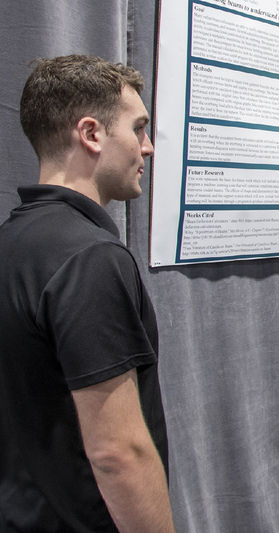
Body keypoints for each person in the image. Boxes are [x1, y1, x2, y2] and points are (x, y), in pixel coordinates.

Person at [0, 55, 175, 532]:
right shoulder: (90, 258)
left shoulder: (12, 244)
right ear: (92, 134)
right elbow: (118, 453)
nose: (149, 147)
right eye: (138, 129)